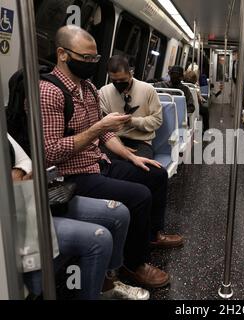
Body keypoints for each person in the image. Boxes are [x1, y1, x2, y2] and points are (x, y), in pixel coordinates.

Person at [39, 25, 182, 290]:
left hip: (99, 163)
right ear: (62, 54)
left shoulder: (89, 89)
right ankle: (134, 264)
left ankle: (149, 236)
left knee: (156, 173)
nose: (92, 63)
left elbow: (104, 137)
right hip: (71, 175)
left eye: (95, 58)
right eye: (85, 58)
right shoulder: (49, 92)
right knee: (140, 197)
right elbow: (50, 152)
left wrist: (130, 156)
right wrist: (98, 128)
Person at [8, 134, 148, 300]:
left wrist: (17, 173)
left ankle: (108, 283)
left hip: (32, 200)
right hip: (14, 218)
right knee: (99, 238)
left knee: (119, 213)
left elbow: (26, 162)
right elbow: (49, 154)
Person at [99, 55, 162, 160]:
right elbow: (102, 125)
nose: (118, 84)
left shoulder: (148, 90)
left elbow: (157, 120)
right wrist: (120, 147)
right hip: (113, 139)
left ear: (131, 73)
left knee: (140, 169)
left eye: (122, 80)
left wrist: (132, 121)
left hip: (140, 142)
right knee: (100, 162)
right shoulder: (104, 92)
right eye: (114, 81)